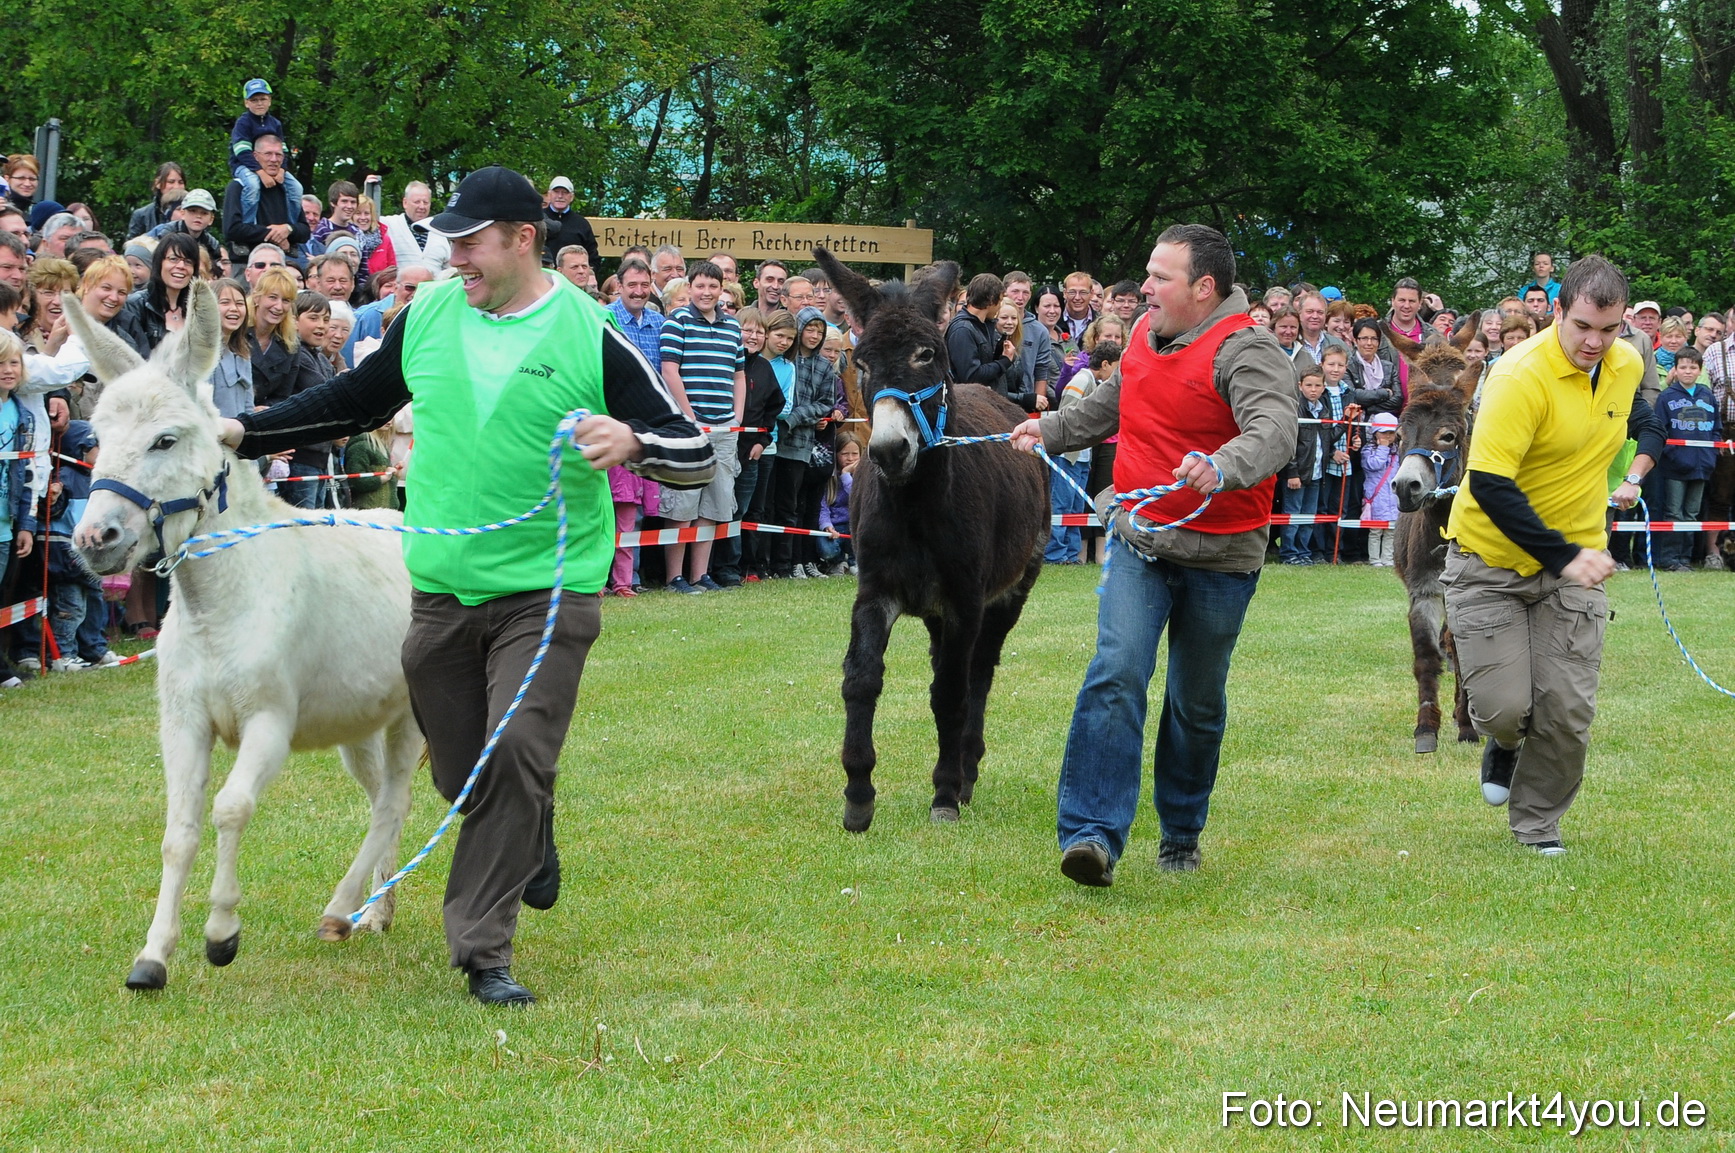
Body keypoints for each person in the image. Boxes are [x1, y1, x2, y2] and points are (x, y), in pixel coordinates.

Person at [219, 165, 713, 1005]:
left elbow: (693, 451)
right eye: (446, 243)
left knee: (513, 745)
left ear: (524, 238)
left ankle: (483, 951)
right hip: (440, 589)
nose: (455, 258)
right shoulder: (432, 315)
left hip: (546, 587)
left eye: (470, 242)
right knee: (463, 774)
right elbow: (348, 401)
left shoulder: (587, 330)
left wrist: (631, 438)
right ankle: (531, 821)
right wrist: (243, 430)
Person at [1009, 223, 1296, 886]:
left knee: (1195, 703)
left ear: (1203, 287)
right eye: (1147, 273)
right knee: (1116, 669)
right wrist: (1048, 428)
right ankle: (1090, 836)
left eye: (1159, 276)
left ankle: (1180, 833)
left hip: (1221, 556)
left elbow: (1274, 430)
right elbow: (1116, 400)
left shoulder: (1245, 350)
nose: (1144, 286)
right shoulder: (1140, 332)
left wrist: (1224, 465)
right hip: (1139, 538)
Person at [1442, 255, 1666, 857]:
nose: (1596, 342)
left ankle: (1539, 825)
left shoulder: (1625, 364)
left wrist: (1641, 465)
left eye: (1610, 328)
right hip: (1489, 560)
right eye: (1584, 326)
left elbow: (1643, 421)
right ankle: (1505, 743)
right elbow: (1489, 483)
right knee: (1502, 709)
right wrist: (1565, 554)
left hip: (1575, 561)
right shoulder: (1518, 376)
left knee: (1566, 709)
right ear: (1557, 312)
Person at [657, 259, 745, 593]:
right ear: (689, 286)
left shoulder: (732, 327)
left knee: (714, 504)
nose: (706, 292)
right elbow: (670, 371)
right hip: (688, 428)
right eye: (700, 286)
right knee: (681, 505)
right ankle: (674, 577)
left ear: (722, 289)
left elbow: (739, 374)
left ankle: (699, 575)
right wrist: (688, 416)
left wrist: (737, 415)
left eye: (713, 286)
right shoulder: (676, 321)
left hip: (724, 428)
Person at [709, 305, 784, 588]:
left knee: (740, 510)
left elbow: (774, 408)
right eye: (747, 330)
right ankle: (707, 567)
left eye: (759, 331)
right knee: (716, 508)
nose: (753, 336)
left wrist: (763, 441)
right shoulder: (722, 361)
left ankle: (730, 567)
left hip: (750, 452)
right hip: (721, 446)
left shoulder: (765, 369)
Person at [1652, 346, 1719, 571]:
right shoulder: (1667, 397)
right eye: (1683, 367)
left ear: (1700, 370)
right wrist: (1673, 454)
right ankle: (1669, 558)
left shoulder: (1707, 396)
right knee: (1674, 513)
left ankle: (1685, 557)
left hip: (1702, 465)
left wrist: (1710, 453)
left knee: (1691, 513)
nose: (1688, 371)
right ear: (1675, 369)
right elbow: (1660, 430)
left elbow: (1716, 428)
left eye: (1693, 367)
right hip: (1675, 466)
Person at [228, 80, 306, 228]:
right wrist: (261, 173)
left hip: (273, 166)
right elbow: (242, 151)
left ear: (269, 100)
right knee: (252, 185)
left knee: (296, 188)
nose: (259, 103)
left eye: (263, 99)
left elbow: (283, 149)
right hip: (244, 166)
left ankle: (291, 226)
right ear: (246, 103)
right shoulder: (243, 123)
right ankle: (247, 226)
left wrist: (282, 170)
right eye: (254, 100)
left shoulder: (275, 123)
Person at [222, 136, 310, 265]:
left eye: (278, 155)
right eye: (268, 154)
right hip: (246, 266)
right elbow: (232, 230)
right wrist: (274, 234)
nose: (273, 159)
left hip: (281, 265)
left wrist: (288, 229)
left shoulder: (288, 189)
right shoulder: (239, 186)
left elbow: (304, 231)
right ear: (255, 156)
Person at [1280, 364, 1334, 564]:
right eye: (1309, 385)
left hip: (1317, 472)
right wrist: (1292, 472)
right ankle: (1289, 552)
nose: (1313, 389)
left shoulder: (1324, 409)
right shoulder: (1296, 408)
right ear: (1300, 385)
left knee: (1309, 517)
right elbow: (1291, 443)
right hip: (1298, 473)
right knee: (1292, 516)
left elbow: (1327, 438)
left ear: (1323, 387)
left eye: (1318, 385)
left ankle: (1303, 552)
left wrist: (1347, 422)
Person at [115, 232, 201, 354]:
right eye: (173, 259)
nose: (181, 266)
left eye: (188, 261)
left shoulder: (197, 309)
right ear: (159, 263)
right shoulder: (135, 305)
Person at [368, 182, 450, 274]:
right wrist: (368, 188)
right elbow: (365, 217)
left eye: (425, 202)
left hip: (434, 287)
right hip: (400, 286)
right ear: (405, 203)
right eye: (417, 202)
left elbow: (449, 269)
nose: (422, 206)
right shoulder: (389, 224)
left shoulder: (439, 231)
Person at [210, 278, 255, 418]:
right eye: (225, 302)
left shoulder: (243, 352)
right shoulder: (204, 354)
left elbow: (248, 406)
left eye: (240, 303)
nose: (234, 309)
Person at [1360, 413, 1402, 566]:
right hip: (1376, 497)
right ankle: (1374, 559)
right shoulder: (1368, 450)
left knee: (1391, 530)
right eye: (1384, 432)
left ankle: (1387, 558)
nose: (1388, 437)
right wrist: (1383, 448)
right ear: (1375, 432)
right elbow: (1373, 465)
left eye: (1391, 433)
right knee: (1376, 531)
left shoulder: (1398, 451)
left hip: (1393, 496)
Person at [817, 435, 859, 574]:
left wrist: (846, 474)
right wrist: (827, 526)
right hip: (835, 527)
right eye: (845, 454)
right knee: (826, 549)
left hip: (855, 526)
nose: (850, 459)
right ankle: (838, 561)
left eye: (855, 454)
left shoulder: (861, 477)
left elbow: (856, 497)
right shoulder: (829, 478)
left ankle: (854, 561)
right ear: (836, 455)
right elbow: (823, 508)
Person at [541, 176, 599, 271]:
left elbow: (593, 258)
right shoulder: (537, 218)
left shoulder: (581, 224)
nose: (560, 196)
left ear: (571, 197)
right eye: (556, 192)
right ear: (549, 194)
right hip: (543, 278)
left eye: (565, 193)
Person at [128, 163, 186, 238]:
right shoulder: (141, 215)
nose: (176, 186)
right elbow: (131, 246)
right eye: (171, 182)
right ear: (158, 183)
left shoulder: (193, 212)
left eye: (180, 182)